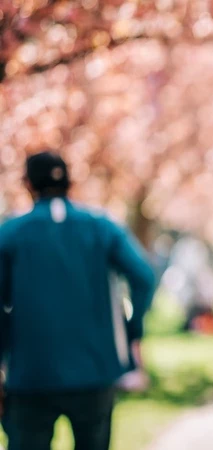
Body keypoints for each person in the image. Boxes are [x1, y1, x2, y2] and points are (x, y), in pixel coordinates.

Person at [0, 151, 156, 450]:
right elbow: (143, 277)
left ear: (27, 184)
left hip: (29, 372)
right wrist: (131, 329)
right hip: (95, 370)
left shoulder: (11, 233)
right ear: (70, 182)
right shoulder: (101, 227)